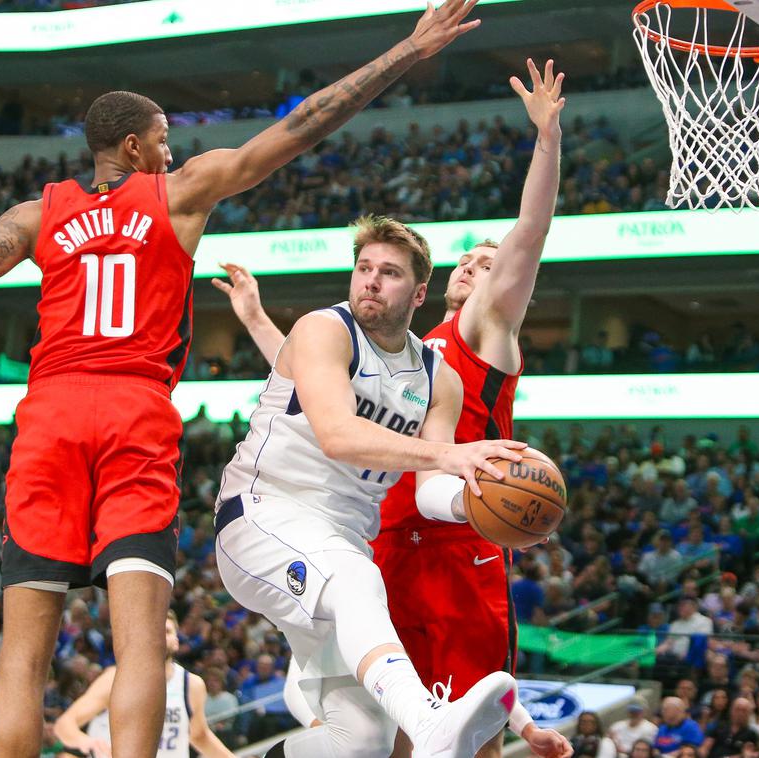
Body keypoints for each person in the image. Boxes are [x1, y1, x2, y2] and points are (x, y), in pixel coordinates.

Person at [0, 3, 484, 757]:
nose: (172, 153)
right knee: (139, 651)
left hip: (50, 420)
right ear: (132, 146)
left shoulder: (36, 215)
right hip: (134, 415)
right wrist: (405, 53)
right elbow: (300, 128)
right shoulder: (179, 194)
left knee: (21, 660)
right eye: (163, 142)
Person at [214, 57, 569, 758]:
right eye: (467, 259)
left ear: (416, 288)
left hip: (444, 534)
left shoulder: (467, 348)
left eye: (486, 263)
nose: (477, 265)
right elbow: (321, 399)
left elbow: (529, 233)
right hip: (341, 532)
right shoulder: (374, 339)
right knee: (378, 640)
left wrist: (547, 139)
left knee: (367, 743)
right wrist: (258, 324)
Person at [53, 612, 235, 758]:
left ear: (177, 641)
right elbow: (65, 724)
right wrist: (88, 743)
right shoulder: (115, 678)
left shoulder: (191, 684)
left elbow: (199, 736)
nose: (160, 636)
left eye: (167, 631)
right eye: (153, 630)